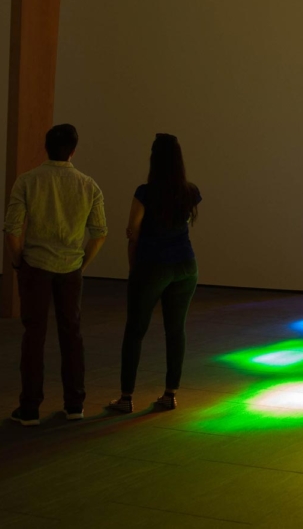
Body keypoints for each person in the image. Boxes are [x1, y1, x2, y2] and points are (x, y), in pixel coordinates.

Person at [2, 123, 108, 425]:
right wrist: (81, 264)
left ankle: (30, 408)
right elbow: (99, 232)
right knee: (72, 335)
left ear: (45, 146)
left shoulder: (27, 181)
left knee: (33, 336)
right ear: (73, 150)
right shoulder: (89, 185)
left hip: (35, 266)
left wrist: (18, 263)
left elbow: (12, 230)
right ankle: (75, 404)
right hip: (71, 268)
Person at [108, 134, 203, 414]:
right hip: (186, 266)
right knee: (176, 331)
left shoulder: (145, 193)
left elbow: (132, 234)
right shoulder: (190, 191)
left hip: (152, 266)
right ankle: (170, 394)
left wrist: (133, 269)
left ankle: (126, 397)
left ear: (153, 159)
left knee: (135, 331)